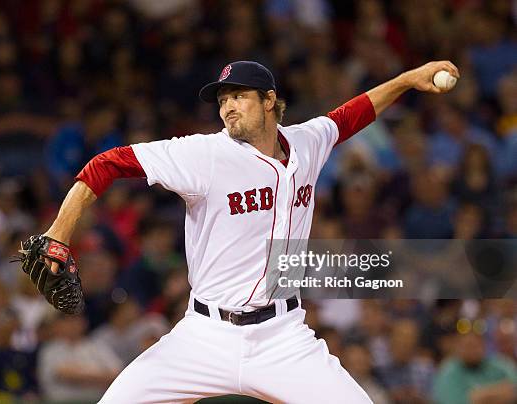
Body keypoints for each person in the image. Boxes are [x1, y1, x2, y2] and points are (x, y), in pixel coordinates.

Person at [36, 60, 459, 402]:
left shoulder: (307, 142)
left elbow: (350, 116)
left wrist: (406, 80)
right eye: (222, 99)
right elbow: (105, 164)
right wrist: (59, 233)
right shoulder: (203, 154)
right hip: (204, 335)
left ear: (270, 100)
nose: (227, 107)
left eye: (238, 95)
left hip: (283, 337)